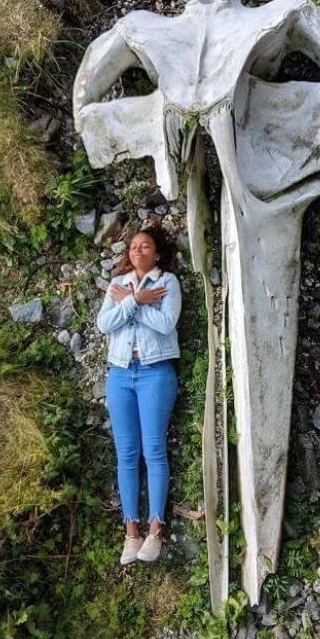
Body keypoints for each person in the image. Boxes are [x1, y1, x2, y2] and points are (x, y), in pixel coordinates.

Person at [96, 223, 181, 566]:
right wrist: (135, 300)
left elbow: (166, 324)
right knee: (126, 453)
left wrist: (133, 304)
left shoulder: (167, 282)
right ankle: (131, 532)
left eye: (145, 246)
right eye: (133, 246)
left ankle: (155, 529)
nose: (137, 250)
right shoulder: (118, 285)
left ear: (157, 254)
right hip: (119, 374)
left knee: (154, 450)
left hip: (155, 373)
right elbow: (104, 324)